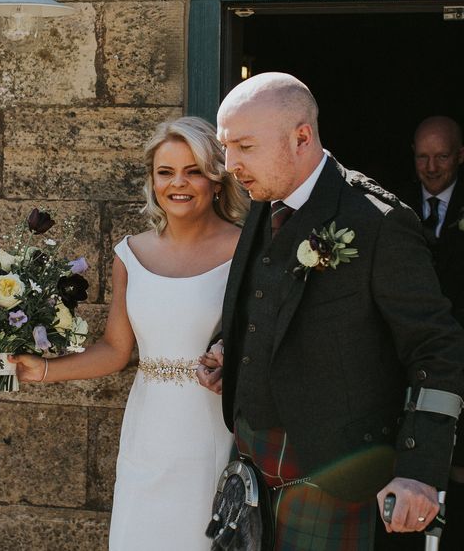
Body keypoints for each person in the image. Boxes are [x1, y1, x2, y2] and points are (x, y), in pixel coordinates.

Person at [198, 72, 464, 550]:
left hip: (334, 475)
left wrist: (420, 473)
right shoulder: (264, 199)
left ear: (301, 137)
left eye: (244, 146)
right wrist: (229, 347)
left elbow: (437, 349)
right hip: (251, 466)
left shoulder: (379, 224)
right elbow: (264, 298)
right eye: (226, 147)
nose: (229, 164)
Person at [10, 116, 248, 551]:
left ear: (217, 179)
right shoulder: (131, 254)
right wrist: (42, 370)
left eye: (194, 171)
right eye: (166, 172)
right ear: (152, 181)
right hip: (148, 431)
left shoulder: (248, 250)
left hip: (215, 427)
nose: (179, 183)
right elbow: (116, 350)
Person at [398, 116, 464, 550]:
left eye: (442, 156)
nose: (432, 166)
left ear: (460, 156)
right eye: (423, 157)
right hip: (411, 360)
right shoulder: (396, 207)